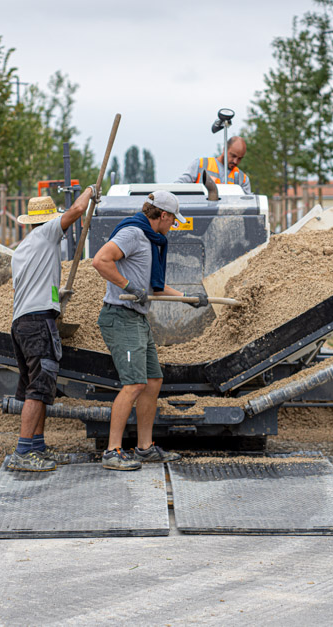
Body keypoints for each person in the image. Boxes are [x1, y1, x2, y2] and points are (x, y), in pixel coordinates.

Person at [91, 190, 206, 471]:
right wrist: (128, 286)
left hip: (137, 318)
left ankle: (144, 447)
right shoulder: (133, 233)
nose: (173, 226)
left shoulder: (151, 240)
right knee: (133, 385)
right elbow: (100, 261)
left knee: (153, 380)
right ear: (162, 215)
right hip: (120, 316)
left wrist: (187, 298)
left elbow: (155, 287)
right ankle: (112, 451)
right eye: (173, 220)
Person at [6, 187, 96, 472]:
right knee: (39, 387)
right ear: (47, 222)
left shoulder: (23, 249)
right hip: (36, 323)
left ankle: (37, 447)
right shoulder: (45, 235)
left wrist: (56, 295)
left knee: (39, 388)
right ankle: (23, 452)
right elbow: (77, 212)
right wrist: (90, 192)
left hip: (23, 322)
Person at [172, 136, 251, 194]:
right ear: (224, 149)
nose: (235, 161)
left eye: (240, 158)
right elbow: (178, 187)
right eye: (233, 156)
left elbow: (248, 205)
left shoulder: (243, 179)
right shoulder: (200, 165)